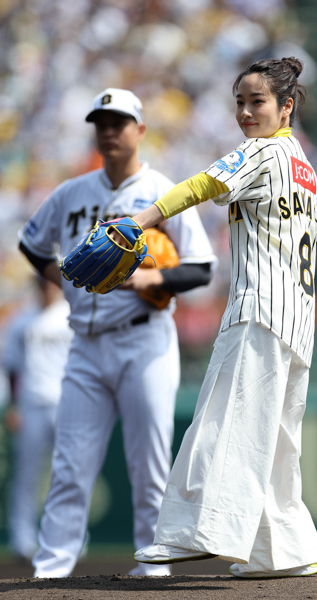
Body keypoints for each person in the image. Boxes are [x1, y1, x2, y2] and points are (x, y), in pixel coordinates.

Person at [119, 58, 317, 578]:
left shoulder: (264, 151)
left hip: (260, 308)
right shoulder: (303, 164)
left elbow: (200, 186)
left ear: (287, 106)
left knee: (223, 420)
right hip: (299, 318)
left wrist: (141, 220)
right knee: (276, 442)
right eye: (239, 102)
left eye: (257, 101)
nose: (245, 111)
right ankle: (282, 551)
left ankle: (193, 533)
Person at [18, 87, 217, 578]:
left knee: (148, 466)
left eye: (119, 123)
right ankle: (52, 569)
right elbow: (31, 244)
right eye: (101, 123)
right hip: (83, 346)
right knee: (69, 467)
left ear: (140, 130)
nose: (108, 131)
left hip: (143, 339)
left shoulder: (160, 192)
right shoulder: (72, 192)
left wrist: (152, 278)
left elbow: (202, 269)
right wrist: (60, 279)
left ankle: (152, 568)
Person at [1, 277, 73, 562]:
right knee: (26, 474)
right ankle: (23, 540)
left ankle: (68, 539)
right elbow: (11, 368)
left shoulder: (72, 314)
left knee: (69, 474)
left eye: (51, 282)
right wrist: (13, 406)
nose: (47, 287)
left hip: (66, 403)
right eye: (43, 282)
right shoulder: (21, 319)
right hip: (31, 403)